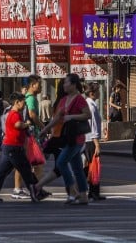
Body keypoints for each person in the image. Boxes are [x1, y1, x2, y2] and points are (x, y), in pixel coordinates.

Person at [35, 73, 92, 205]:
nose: (64, 85)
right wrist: (45, 129)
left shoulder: (79, 99)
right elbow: (57, 118)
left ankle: (72, 191)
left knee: (61, 163)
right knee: (77, 168)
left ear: (73, 84)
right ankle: (83, 195)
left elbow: (87, 115)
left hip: (76, 138)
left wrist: (72, 117)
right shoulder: (64, 99)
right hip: (67, 137)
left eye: (66, 83)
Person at [0, 93, 41, 203]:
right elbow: (18, 125)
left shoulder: (14, 113)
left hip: (10, 147)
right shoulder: (14, 114)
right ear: (17, 102)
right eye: (23, 102)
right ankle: (38, 192)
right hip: (13, 147)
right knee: (26, 170)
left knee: (3, 172)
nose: (25, 104)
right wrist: (27, 124)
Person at [12, 74, 45, 200]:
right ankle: (35, 188)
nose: (40, 87)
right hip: (30, 135)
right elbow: (32, 114)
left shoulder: (27, 97)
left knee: (25, 163)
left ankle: (21, 188)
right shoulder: (31, 98)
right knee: (36, 164)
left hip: (27, 134)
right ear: (32, 85)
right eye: (39, 84)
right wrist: (43, 127)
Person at [84, 85, 105, 201]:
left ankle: (93, 191)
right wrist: (97, 144)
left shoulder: (90, 104)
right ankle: (93, 192)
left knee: (91, 167)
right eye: (97, 91)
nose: (99, 93)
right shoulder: (91, 107)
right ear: (92, 93)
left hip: (88, 140)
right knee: (94, 167)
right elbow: (93, 127)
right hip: (91, 141)